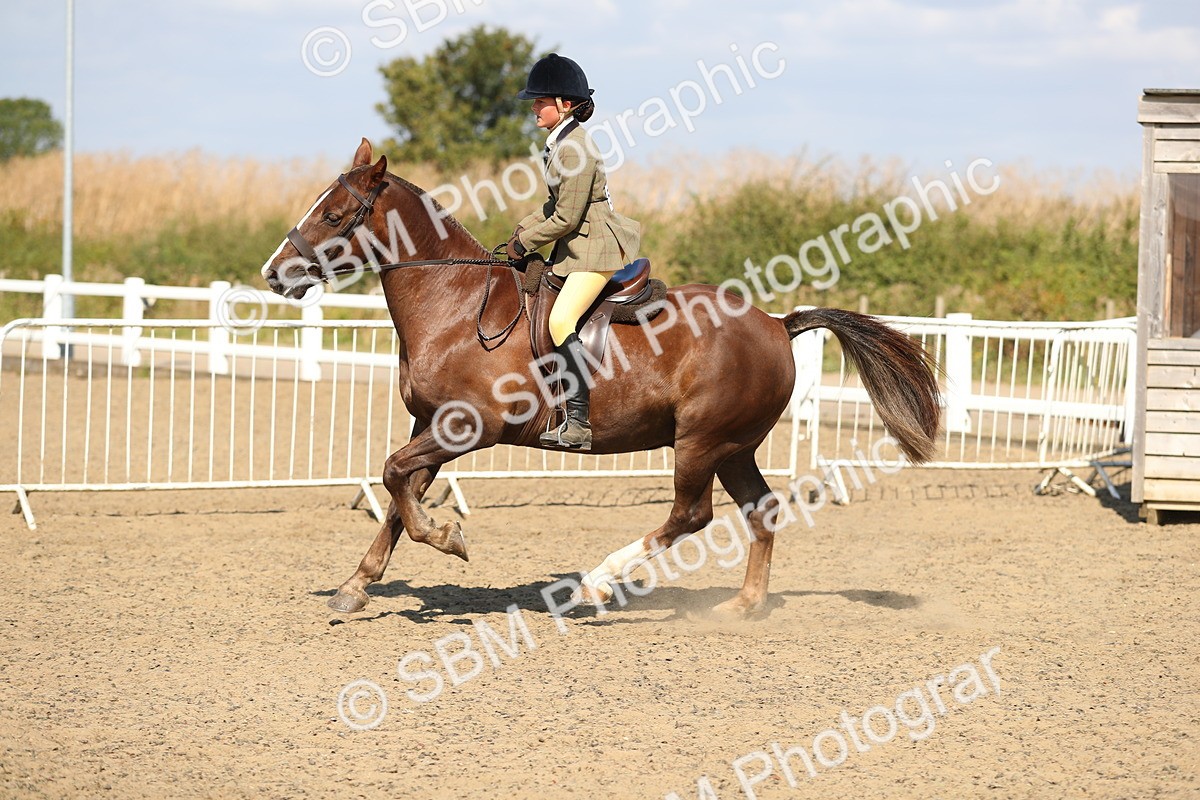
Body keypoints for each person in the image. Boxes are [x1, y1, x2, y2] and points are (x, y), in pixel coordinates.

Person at [507, 53, 642, 451]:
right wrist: (521, 230)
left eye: (540, 101)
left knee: (561, 318)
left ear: (564, 104)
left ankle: (578, 422)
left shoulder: (574, 148)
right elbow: (553, 206)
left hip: (595, 249)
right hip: (577, 247)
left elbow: (566, 217)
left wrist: (527, 242)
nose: (533, 107)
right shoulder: (560, 143)